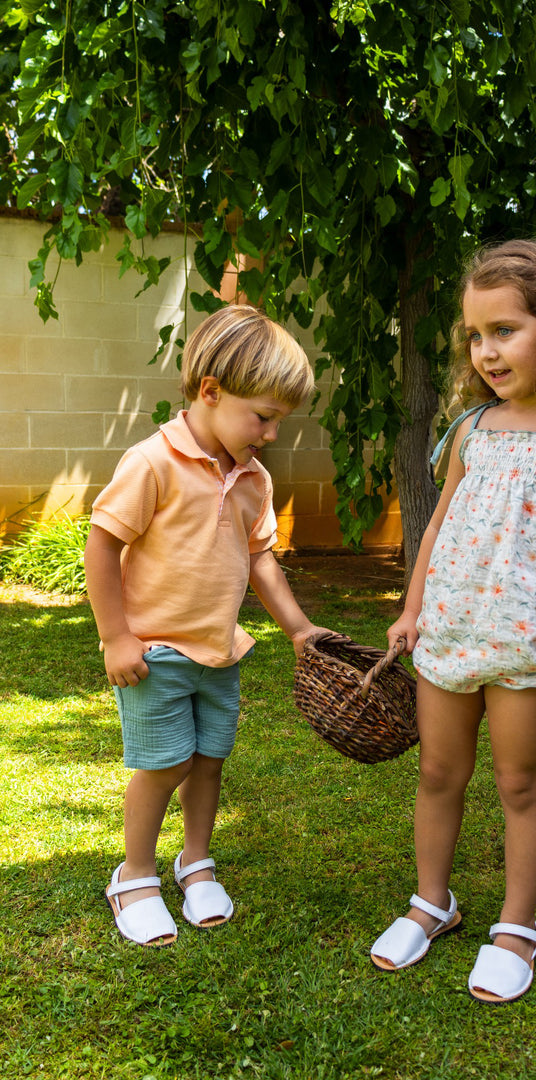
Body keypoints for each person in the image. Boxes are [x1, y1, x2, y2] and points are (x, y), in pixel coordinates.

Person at [370, 241, 536, 1003]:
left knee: (520, 782)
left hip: (532, 645)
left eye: (504, 330)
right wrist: (412, 607)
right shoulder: (471, 431)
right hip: (449, 634)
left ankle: (518, 925)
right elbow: (438, 527)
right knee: (437, 772)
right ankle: (433, 902)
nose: (485, 351)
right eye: (475, 335)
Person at [85, 304, 326, 947]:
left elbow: (259, 558)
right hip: (155, 651)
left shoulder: (253, 478)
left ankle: (195, 862)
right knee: (163, 766)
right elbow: (102, 546)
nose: (272, 433)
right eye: (265, 416)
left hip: (219, 651)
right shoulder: (152, 463)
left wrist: (300, 629)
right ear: (211, 392)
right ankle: (134, 875)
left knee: (208, 760)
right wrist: (116, 636)